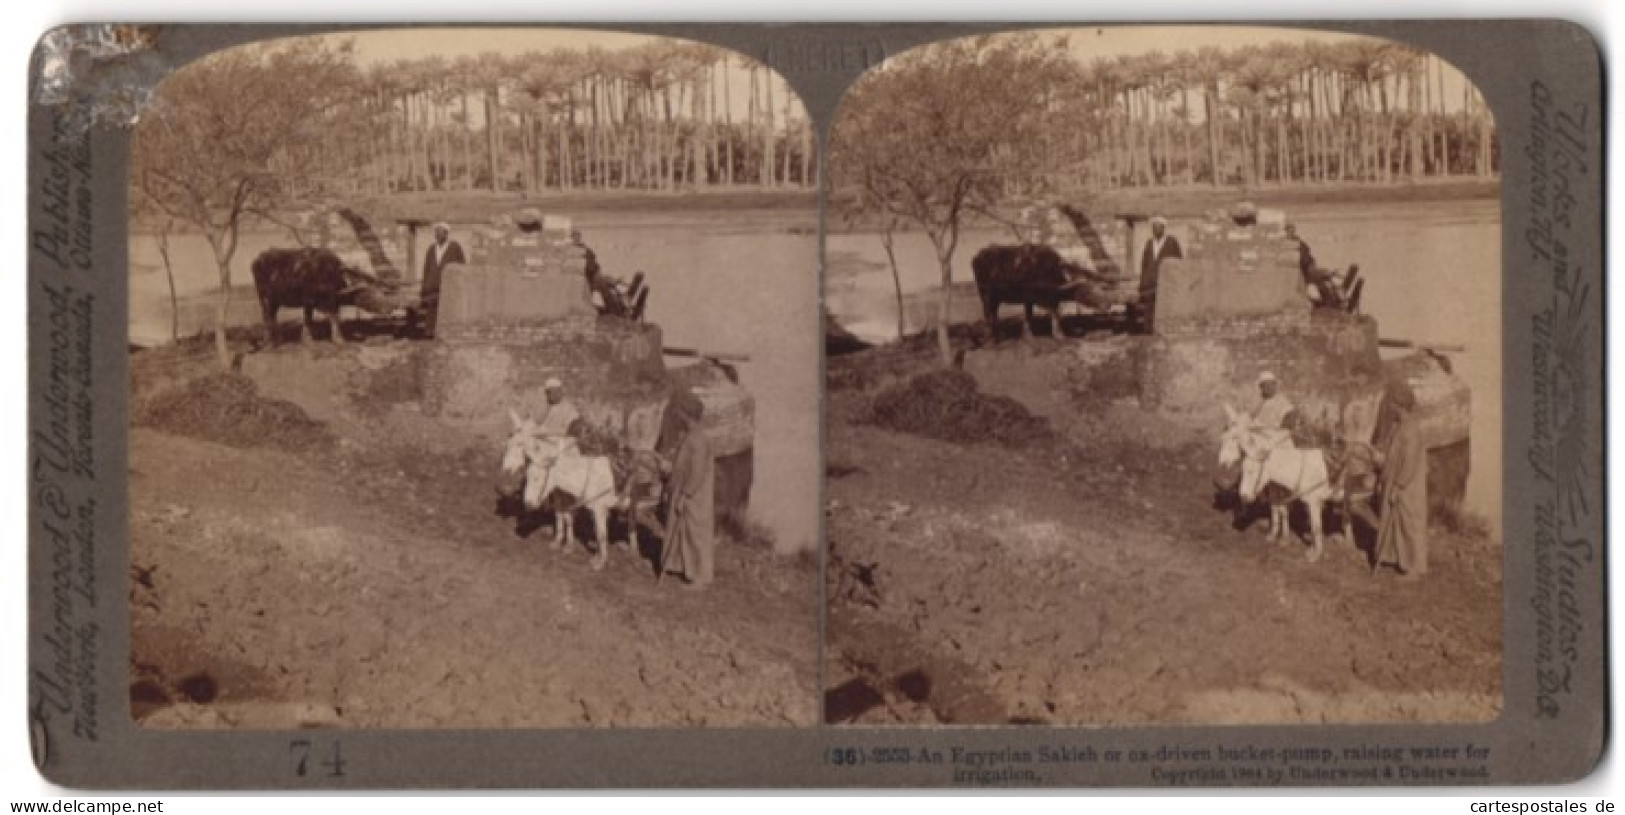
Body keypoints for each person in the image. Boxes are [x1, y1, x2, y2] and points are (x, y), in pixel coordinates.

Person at [1373, 383, 1428, 580]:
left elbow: (1410, 462)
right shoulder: (1400, 426)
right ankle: (1396, 558)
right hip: (1396, 481)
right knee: (1394, 520)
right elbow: (1394, 454)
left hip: (1408, 487)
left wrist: (1399, 486)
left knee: (1408, 524)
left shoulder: (1411, 430)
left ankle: (1414, 568)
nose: (1390, 409)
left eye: (1393, 405)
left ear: (1400, 405)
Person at [662, 399, 715, 590]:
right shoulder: (690, 435)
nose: (678, 416)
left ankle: (700, 578)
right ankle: (681, 566)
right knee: (681, 528)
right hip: (685, 491)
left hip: (695, 496)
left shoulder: (698, 439)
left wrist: (685, 495)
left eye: (681, 413)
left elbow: (698, 472)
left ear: (687, 415)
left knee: (695, 533)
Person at [1137, 215, 1183, 333]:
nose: (1156, 230)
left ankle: (1163, 329)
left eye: (1158, 227)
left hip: (1166, 280)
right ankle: (1147, 331)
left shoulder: (1171, 242)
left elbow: (1178, 261)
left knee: (1165, 306)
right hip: (1150, 280)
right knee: (1150, 305)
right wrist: (1143, 282)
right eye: (1154, 227)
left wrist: (1175, 280)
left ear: (1163, 228)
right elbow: (1144, 263)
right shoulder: (1149, 243)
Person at [420, 221, 465, 338]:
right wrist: (425, 286)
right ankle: (429, 333)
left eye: (440, 233)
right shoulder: (431, 249)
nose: (437, 236)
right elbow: (427, 267)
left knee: (447, 310)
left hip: (448, 285)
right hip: (432, 285)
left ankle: (446, 333)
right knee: (432, 309)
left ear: (446, 234)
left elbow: (462, 265)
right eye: (436, 233)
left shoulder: (454, 247)